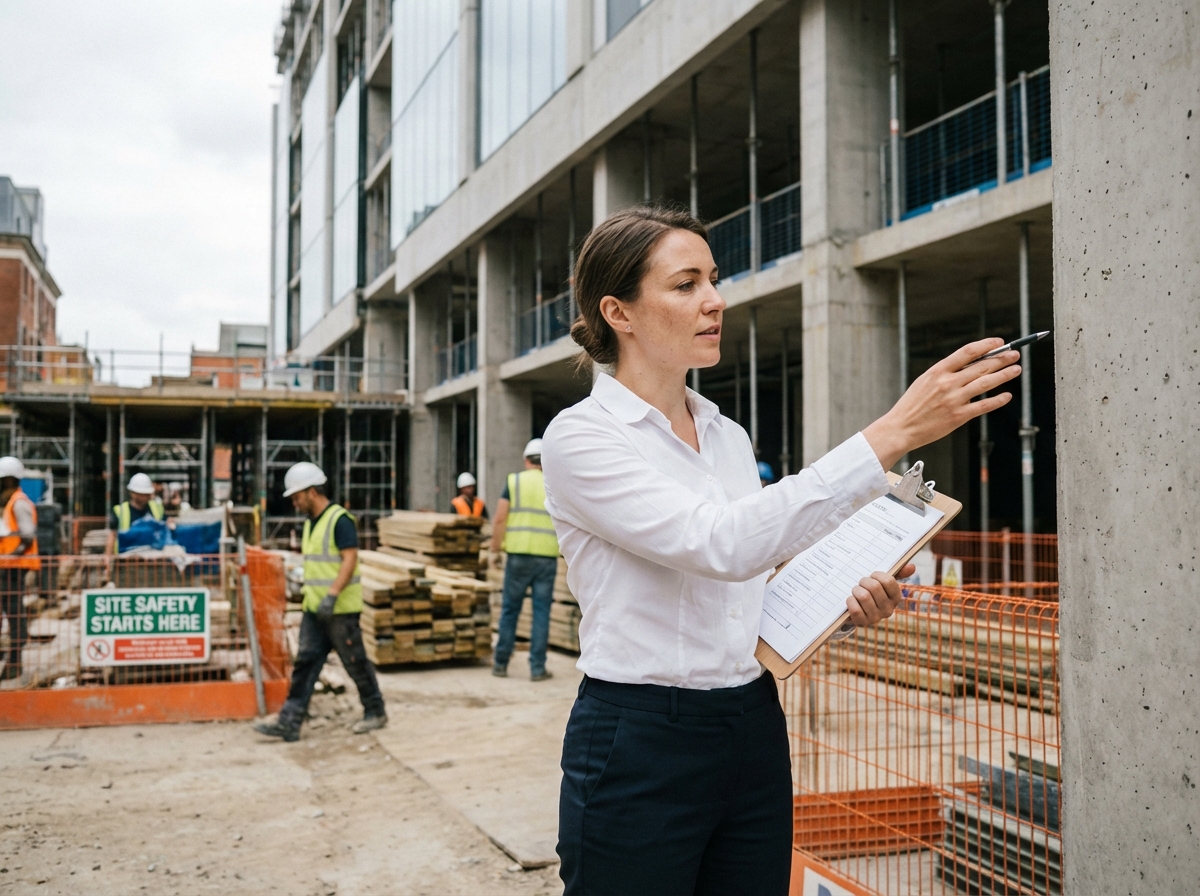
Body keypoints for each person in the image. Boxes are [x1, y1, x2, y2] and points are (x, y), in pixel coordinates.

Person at [541, 205, 1021, 895]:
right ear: (619, 312)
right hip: (640, 738)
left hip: (751, 724)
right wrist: (892, 433)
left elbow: (750, 584)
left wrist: (842, 601)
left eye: (713, 279)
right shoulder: (583, 437)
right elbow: (721, 544)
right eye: (686, 284)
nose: (714, 299)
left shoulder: (727, 436)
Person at [255, 462, 387, 742]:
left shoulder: (339, 520)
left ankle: (375, 711)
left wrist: (332, 595)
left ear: (312, 492)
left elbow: (349, 559)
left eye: (297, 497)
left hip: (340, 609)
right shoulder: (310, 524)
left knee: (355, 662)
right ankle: (289, 722)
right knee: (305, 664)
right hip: (315, 610)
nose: (294, 502)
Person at [488, 438, 559, 682]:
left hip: (518, 556)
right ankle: (537, 669)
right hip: (546, 558)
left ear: (526, 460)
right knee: (541, 613)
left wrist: (494, 550)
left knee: (510, 610)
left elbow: (500, 518)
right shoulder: (554, 484)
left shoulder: (514, 481)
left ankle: (500, 664)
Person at [0, 456, 39, 682]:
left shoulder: (19, 502)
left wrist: (8, 556)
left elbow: (27, 536)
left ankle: (15, 662)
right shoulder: (9, 502)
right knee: (9, 611)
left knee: (14, 613)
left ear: (8, 480)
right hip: (7, 566)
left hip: (14, 567)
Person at [106, 472, 164, 555]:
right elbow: (112, 534)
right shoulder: (120, 511)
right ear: (133, 493)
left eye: (147, 494)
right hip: (126, 556)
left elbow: (163, 528)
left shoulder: (156, 508)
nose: (145, 497)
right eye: (142, 494)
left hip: (152, 556)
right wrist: (108, 555)